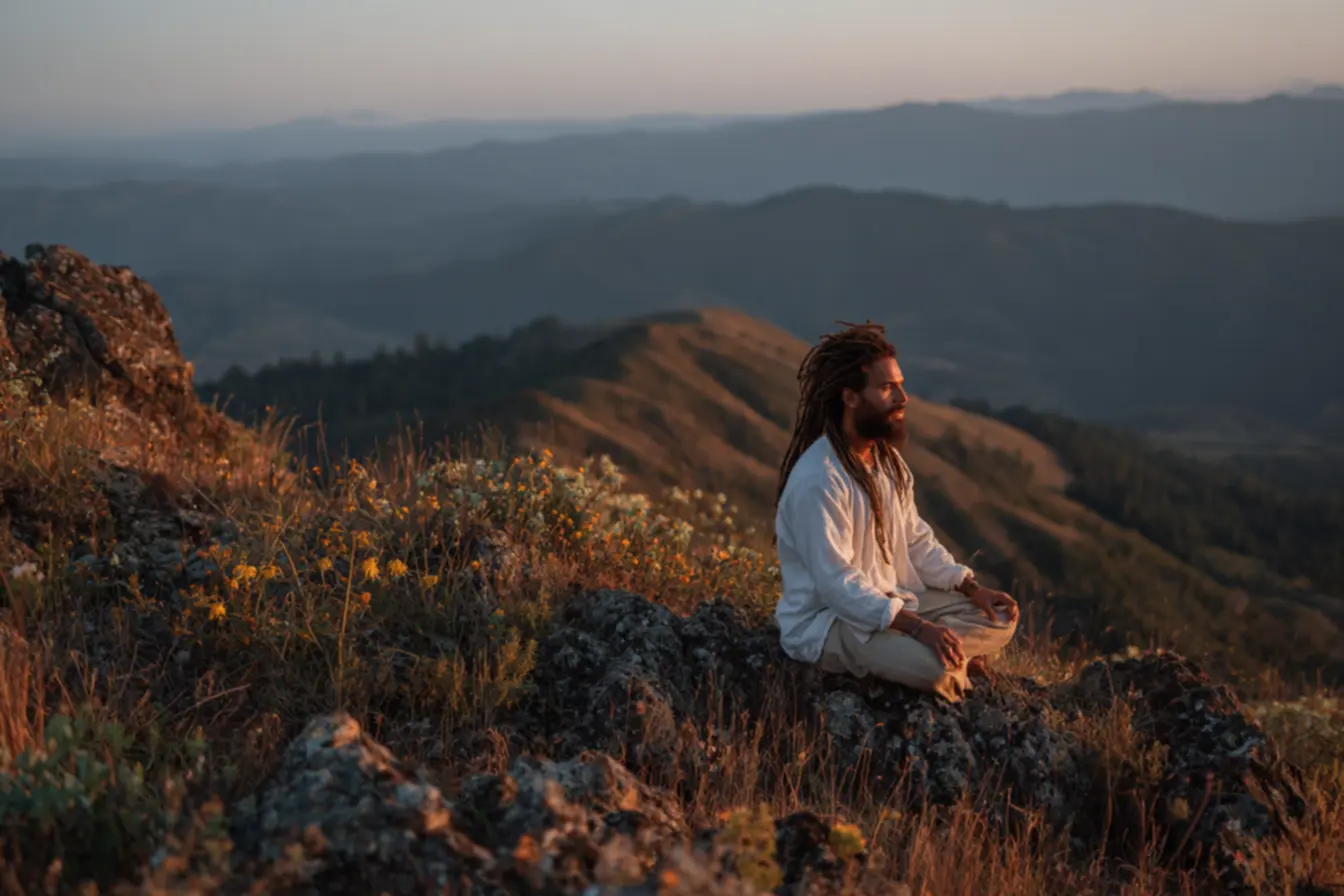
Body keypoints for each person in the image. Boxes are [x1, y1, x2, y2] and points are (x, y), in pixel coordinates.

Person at [773, 321, 1019, 702]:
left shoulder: (887, 464)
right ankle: (945, 661)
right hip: (831, 624)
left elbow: (916, 539)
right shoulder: (818, 480)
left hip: (893, 601)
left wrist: (972, 589)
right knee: (936, 669)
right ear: (850, 397)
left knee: (1000, 615)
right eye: (887, 388)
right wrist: (918, 628)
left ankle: (934, 653)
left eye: (900, 385)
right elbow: (837, 586)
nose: (902, 398)